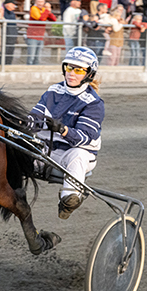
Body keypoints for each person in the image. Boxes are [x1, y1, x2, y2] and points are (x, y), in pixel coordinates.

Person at [27, 46, 104, 219]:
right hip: (46, 152)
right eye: (69, 67)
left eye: (79, 70)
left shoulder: (93, 103)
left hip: (73, 156)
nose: (71, 73)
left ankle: (70, 199)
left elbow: (84, 137)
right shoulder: (53, 91)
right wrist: (22, 122)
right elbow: (35, 118)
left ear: (89, 74)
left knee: (78, 155)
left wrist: (63, 130)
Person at [26, 0, 56, 65]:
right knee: (31, 57)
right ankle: (29, 69)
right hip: (32, 36)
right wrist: (47, 10)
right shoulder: (33, 8)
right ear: (35, 2)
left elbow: (53, 19)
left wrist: (49, 12)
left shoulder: (43, 10)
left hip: (41, 36)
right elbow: (40, 18)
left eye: (42, 2)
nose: (40, 3)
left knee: (38, 57)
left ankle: (36, 69)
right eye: (38, 2)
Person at [2, 0, 18, 65]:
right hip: (6, 35)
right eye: (12, 4)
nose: (14, 6)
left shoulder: (12, 13)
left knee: (10, 52)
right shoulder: (4, 12)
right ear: (7, 4)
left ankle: (8, 64)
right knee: (5, 51)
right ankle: (3, 64)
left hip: (12, 35)